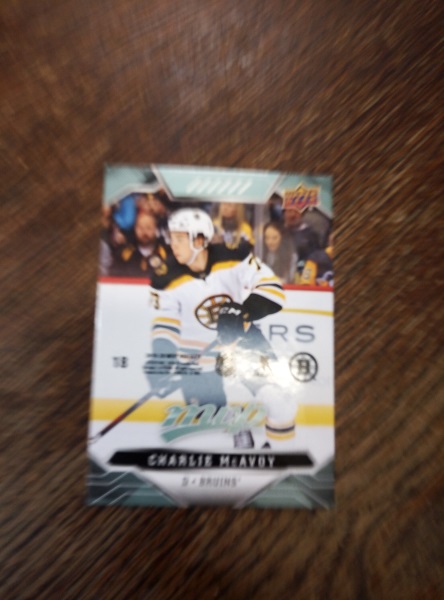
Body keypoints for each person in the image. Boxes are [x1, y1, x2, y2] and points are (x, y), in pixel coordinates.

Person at [145, 207, 298, 448]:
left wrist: (244, 313)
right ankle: (238, 433)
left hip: (241, 340)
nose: (172, 245)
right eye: (171, 238)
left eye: (179, 239)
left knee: (278, 399)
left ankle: (279, 453)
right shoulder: (164, 277)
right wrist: (161, 360)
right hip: (195, 357)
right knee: (212, 427)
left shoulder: (233, 255)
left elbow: (273, 289)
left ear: (199, 240)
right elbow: (165, 324)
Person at [110, 212, 168, 278]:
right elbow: (114, 277)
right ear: (135, 229)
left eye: (148, 228)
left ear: (155, 229)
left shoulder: (165, 253)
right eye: (140, 228)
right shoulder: (124, 253)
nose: (144, 232)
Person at [283, 207, 320, 278]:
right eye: (289, 211)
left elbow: (315, 258)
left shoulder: (311, 235)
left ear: (302, 214)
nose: (292, 215)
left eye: (296, 211)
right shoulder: (278, 232)